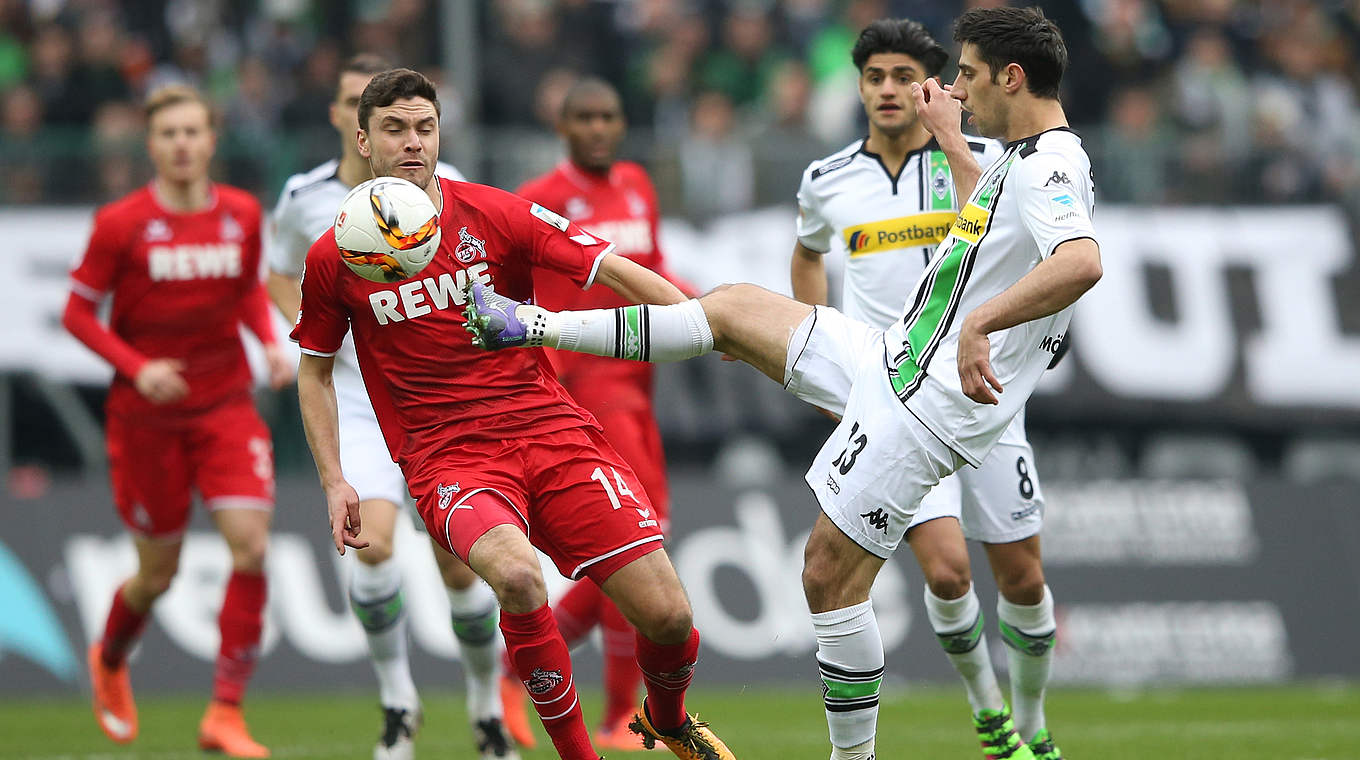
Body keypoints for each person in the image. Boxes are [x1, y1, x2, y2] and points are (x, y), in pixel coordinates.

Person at [464, 8, 1097, 760]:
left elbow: (1081, 260)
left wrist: (977, 324)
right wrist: (958, 145)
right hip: (887, 352)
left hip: (927, 405)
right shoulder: (1013, 159)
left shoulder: (1052, 162)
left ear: (1011, 77)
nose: (953, 87)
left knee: (827, 574)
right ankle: (528, 324)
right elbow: (988, 226)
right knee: (731, 309)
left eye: (965, 72)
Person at [292, 68, 736, 760]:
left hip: (553, 431)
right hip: (449, 457)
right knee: (519, 576)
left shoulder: (497, 213)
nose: (412, 142)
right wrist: (335, 479)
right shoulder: (335, 256)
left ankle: (667, 718)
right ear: (363, 138)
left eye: (424, 128)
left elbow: (613, 267)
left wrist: (702, 322)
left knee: (670, 616)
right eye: (394, 129)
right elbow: (314, 370)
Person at [791, 19, 1066, 760]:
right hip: (898, 392)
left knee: (1023, 576)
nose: (888, 89)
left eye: (904, 76)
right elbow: (808, 254)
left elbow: (1038, 253)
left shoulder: (985, 160)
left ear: (938, 85)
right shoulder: (827, 179)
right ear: (858, 84)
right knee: (947, 571)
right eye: (874, 75)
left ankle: (1034, 718)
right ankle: (989, 714)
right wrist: (825, 351)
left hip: (986, 390)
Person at [264, 54, 513, 760]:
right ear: (351, 120)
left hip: (439, 397)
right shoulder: (306, 197)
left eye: (420, 124)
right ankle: (399, 701)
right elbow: (283, 273)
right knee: (371, 545)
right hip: (357, 395)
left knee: (461, 566)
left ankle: (484, 706)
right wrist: (308, 335)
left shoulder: (454, 189)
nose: (360, 117)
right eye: (352, 104)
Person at [66, 84, 293, 759]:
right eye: (169, 134)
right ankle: (110, 655)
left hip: (225, 407)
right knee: (156, 575)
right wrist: (137, 368)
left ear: (212, 138)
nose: (183, 144)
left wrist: (269, 342)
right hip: (145, 421)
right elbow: (77, 315)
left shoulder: (243, 213)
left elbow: (248, 288)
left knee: (251, 546)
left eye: (193, 131)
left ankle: (225, 712)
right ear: (151, 145)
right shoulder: (121, 224)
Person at [495, 77, 690, 753]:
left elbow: (654, 272)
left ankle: (589, 703)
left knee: (639, 544)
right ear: (564, 127)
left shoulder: (638, 183)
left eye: (609, 115)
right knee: (635, 544)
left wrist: (711, 319)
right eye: (586, 117)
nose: (600, 127)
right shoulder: (539, 199)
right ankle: (607, 711)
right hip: (585, 386)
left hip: (639, 383)